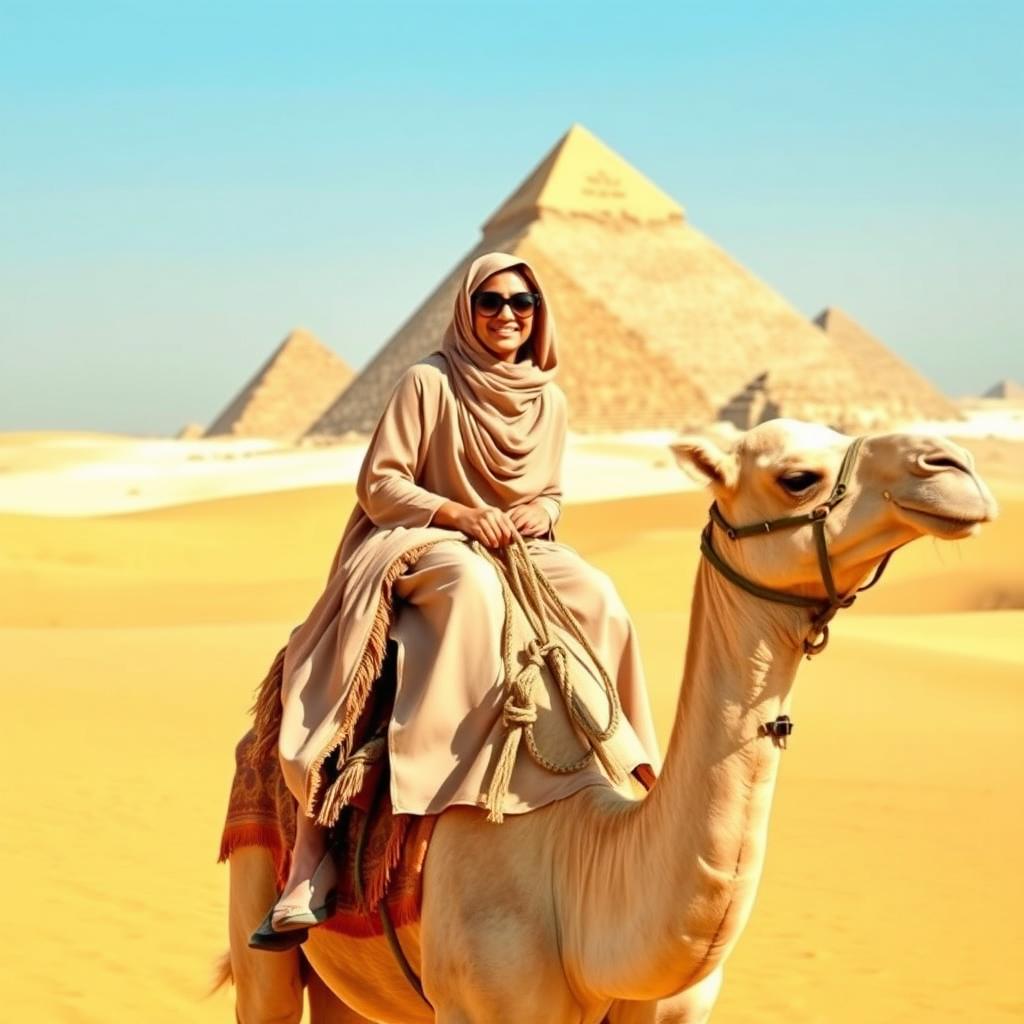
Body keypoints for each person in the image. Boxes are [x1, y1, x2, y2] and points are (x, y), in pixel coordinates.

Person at [250, 252, 660, 950]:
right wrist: (458, 515)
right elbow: (381, 486)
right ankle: (400, 787)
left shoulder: (547, 399)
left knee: (599, 595)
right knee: (470, 592)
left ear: (539, 315)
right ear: (466, 311)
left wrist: (541, 510)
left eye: (522, 303)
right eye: (490, 303)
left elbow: (552, 489)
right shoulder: (428, 382)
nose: (507, 316)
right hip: (418, 541)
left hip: (515, 547)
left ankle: (622, 764)